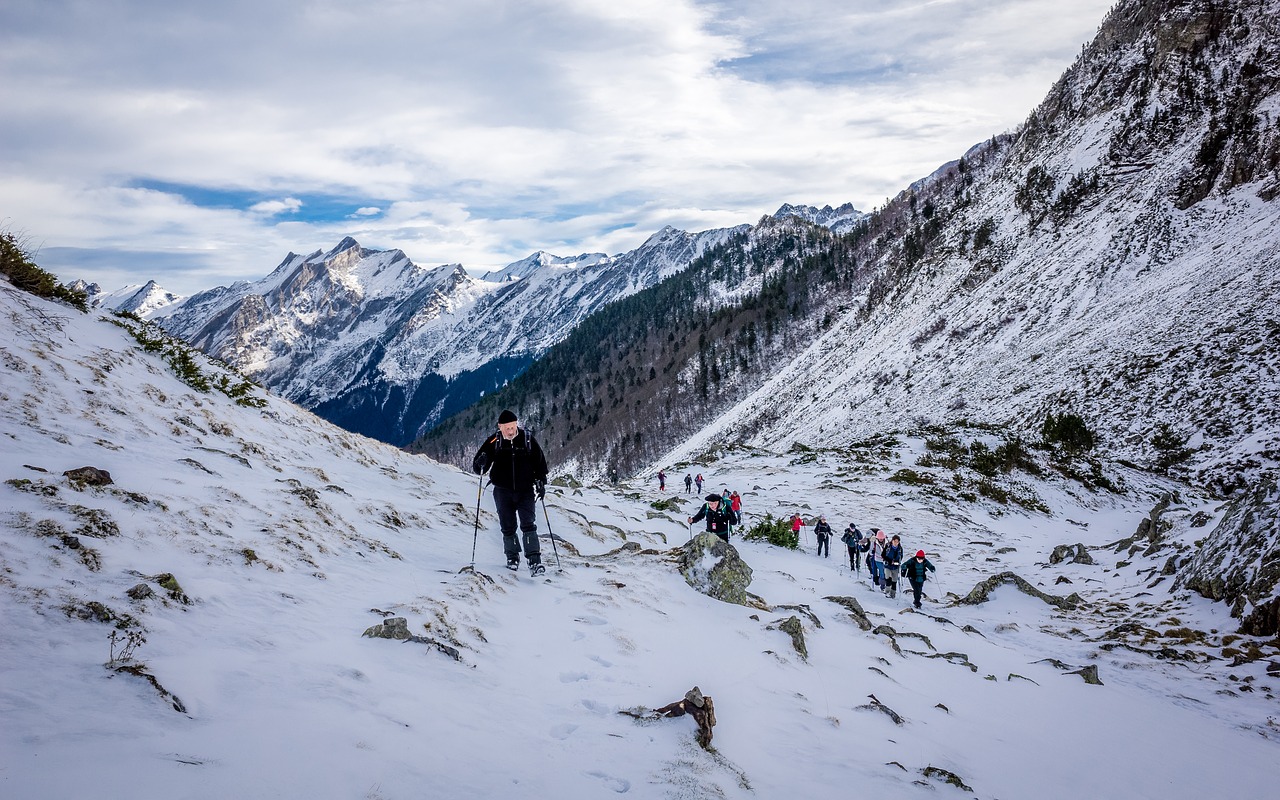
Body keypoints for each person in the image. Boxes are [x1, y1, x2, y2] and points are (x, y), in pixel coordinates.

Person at [473, 409, 549, 575]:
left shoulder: (528, 440)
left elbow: (540, 464)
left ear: (517, 424)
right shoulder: (494, 441)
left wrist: (541, 482)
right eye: (506, 427)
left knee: (528, 524)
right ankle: (512, 558)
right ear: (500, 427)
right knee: (507, 526)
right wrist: (481, 462)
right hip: (502, 491)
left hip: (525, 490)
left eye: (513, 426)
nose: (510, 430)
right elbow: (479, 467)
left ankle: (534, 561)